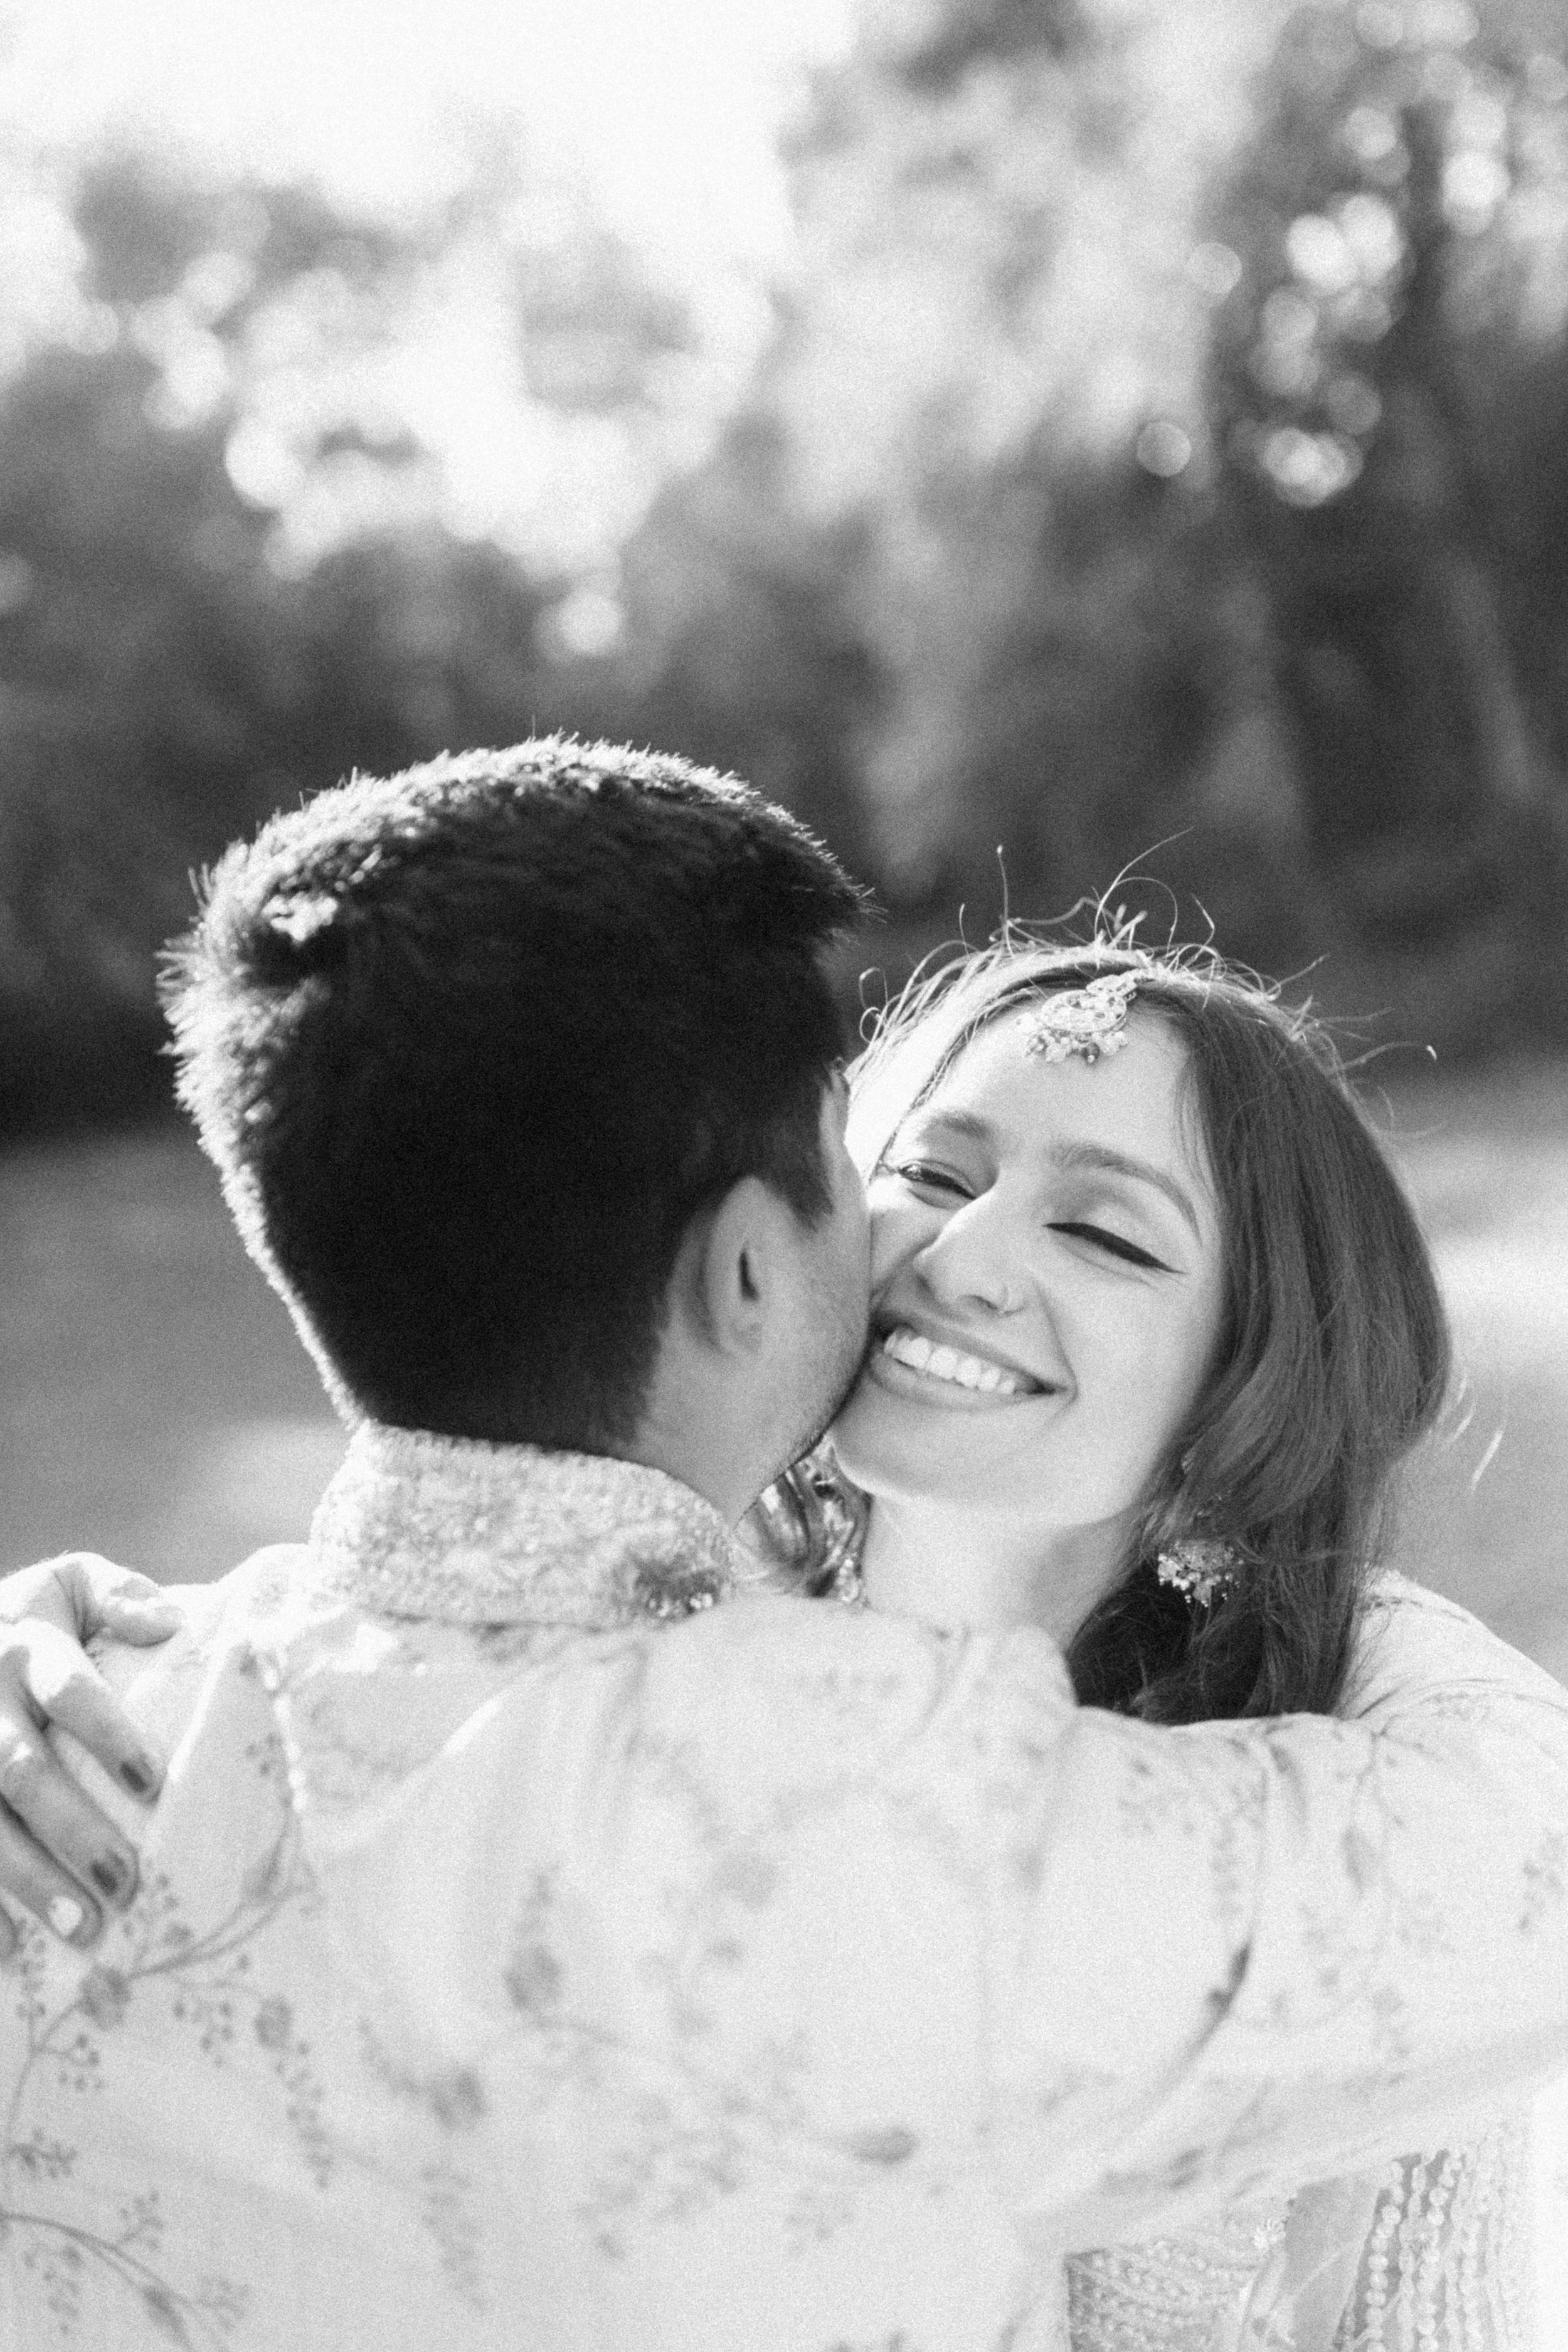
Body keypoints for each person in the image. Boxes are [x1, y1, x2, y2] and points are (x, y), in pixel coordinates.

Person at [0, 738, 1564, 2352]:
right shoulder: (940, 1827)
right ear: (758, 1271)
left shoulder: (112, 1735)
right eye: (919, 1171)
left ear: (1252, 1388)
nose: (958, 1258)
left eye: (1101, 1230)